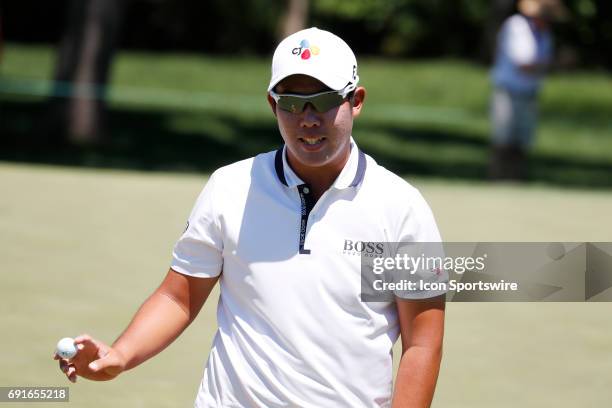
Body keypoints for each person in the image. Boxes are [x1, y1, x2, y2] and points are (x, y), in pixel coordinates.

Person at [54, 27, 446, 407]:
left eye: (324, 101)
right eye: (291, 103)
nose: (307, 119)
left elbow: (422, 343)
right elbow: (179, 298)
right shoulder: (229, 187)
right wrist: (121, 355)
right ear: (273, 105)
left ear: (355, 101)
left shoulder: (401, 207)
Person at [489, 0, 568, 179]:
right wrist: (555, 65)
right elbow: (524, 64)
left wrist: (548, 66)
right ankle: (497, 179)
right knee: (503, 140)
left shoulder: (545, 34)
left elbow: (540, 65)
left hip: (530, 93)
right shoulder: (516, 27)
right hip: (508, 91)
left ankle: (516, 180)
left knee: (522, 141)